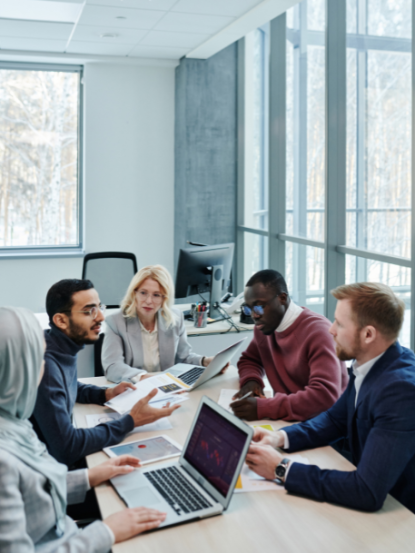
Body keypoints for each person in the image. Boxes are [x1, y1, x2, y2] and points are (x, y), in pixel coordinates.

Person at [0, 306, 167, 552]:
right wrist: (106, 532)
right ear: (16, 369)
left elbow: (35, 491)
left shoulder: (15, 424)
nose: (43, 369)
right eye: (37, 359)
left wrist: (90, 476)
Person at [245, 282, 415, 513]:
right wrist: (278, 438)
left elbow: (366, 492)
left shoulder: (400, 392)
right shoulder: (370, 363)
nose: (331, 329)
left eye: (340, 323)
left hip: (402, 517)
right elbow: (335, 420)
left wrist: (281, 468)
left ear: (368, 334)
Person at [31, 279, 180, 468]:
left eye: (99, 307)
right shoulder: (47, 366)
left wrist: (104, 394)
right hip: (47, 473)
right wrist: (130, 421)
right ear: (61, 320)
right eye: (89, 310)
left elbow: (68, 385)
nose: (101, 316)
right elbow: (67, 446)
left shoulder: (58, 344)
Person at [231, 270, 348, 421]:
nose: (254, 316)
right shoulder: (265, 327)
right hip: (288, 420)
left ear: (282, 298)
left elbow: (324, 396)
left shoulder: (318, 332)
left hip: (323, 426)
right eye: (248, 308)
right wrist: (251, 381)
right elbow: (250, 360)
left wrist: (265, 408)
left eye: (259, 307)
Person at [102, 265, 215, 383]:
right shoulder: (115, 322)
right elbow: (113, 366)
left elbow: (183, 358)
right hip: (132, 388)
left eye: (156, 295)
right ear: (134, 293)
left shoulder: (175, 319)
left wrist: (204, 361)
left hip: (166, 388)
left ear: (164, 299)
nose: (148, 301)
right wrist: (142, 377)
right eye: (143, 293)